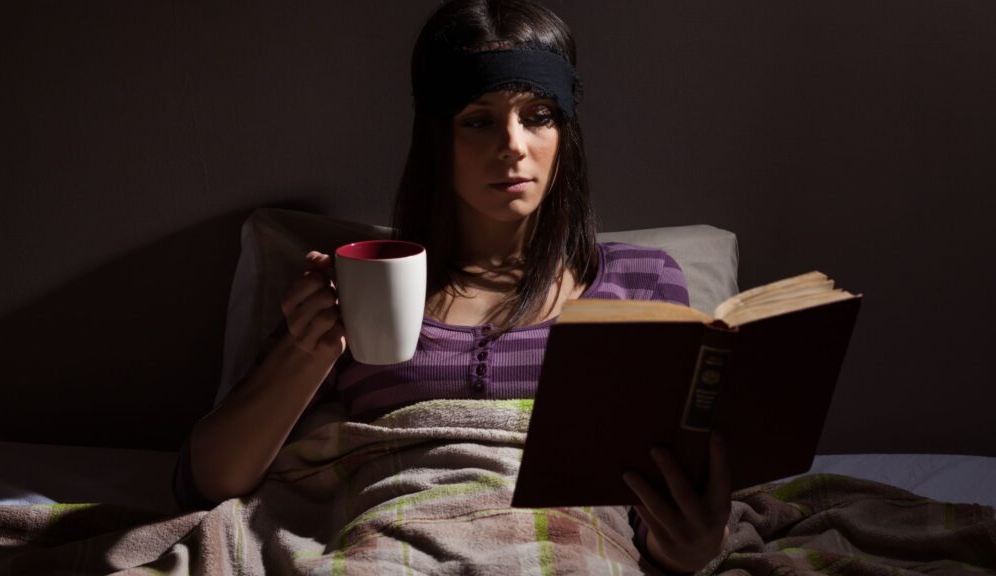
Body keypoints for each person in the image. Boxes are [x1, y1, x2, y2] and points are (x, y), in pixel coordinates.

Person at [173, 0, 731, 572]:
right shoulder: (362, 286)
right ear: (438, 138)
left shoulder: (641, 283)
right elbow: (207, 483)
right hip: (392, 546)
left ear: (567, 131)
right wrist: (305, 348)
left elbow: (656, 498)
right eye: (478, 119)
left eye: (539, 114)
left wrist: (686, 548)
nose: (513, 144)